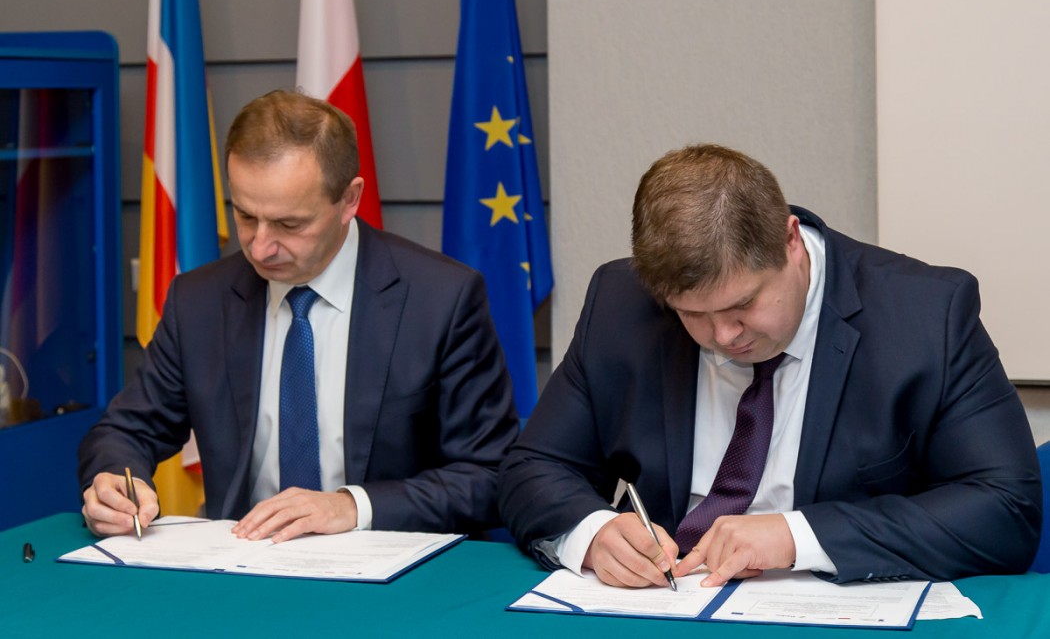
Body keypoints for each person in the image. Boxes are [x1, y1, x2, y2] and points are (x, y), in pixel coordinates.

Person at [499, 143, 1041, 588]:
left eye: (742, 305)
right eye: (693, 314)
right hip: (667, 606)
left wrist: (798, 536)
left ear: (790, 242)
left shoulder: (925, 316)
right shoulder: (620, 303)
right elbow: (533, 467)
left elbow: (1006, 509)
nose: (723, 336)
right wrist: (593, 531)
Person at [80, 90, 519, 542]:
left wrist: (352, 506)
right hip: (243, 562)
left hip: (394, 564)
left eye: (289, 225)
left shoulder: (440, 300)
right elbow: (126, 431)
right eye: (245, 216)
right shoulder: (199, 301)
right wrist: (115, 480)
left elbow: (490, 474)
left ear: (349, 200)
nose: (260, 247)